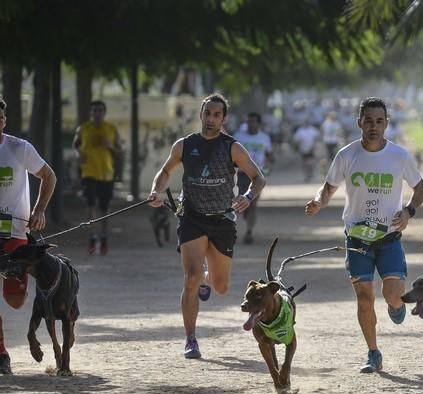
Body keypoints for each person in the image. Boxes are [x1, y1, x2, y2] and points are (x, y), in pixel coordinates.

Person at [305, 97, 423, 373]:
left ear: (387, 123)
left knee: (393, 295)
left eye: (379, 121)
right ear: (359, 122)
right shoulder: (347, 155)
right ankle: (373, 353)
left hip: (389, 237)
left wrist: (408, 211)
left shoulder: (399, 156)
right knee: (364, 298)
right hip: (357, 239)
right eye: (368, 121)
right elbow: (327, 188)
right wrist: (317, 202)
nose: (374, 126)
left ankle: (396, 306)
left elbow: (420, 189)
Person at [147, 93, 265, 359]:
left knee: (221, 287)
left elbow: (258, 178)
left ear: (223, 119)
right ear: (200, 114)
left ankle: (206, 280)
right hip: (191, 217)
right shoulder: (185, 145)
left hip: (222, 220)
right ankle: (191, 339)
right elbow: (166, 171)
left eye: (217, 115)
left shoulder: (232, 147)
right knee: (189, 279)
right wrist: (156, 190)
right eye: (207, 113)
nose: (211, 119)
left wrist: (247, 197)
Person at [0, 97, 56, 374]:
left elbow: (49, 176)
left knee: (14, 299)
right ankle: (1, 354)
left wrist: (39, 210)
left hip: (14, 232)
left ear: (5, 121)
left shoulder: (19, 148)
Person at [73, 100, 122, 255]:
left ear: (104, 112)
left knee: (105, 208)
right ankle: (92, 237)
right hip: (89, 172)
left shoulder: (111, 129)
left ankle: (104, 237)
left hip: (106, 174)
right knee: (91, 204)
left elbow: (120, 151)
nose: (97, 113)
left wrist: (110, 146)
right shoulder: (83, 128)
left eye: (100, 110)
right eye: (94, 110)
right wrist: (78, 154)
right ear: (91, 112)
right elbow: (76, 145)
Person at [233, 112, 274, 244]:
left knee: (253, 203)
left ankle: (249, 231)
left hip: (257, 176)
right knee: (241, 203)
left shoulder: (264, 138)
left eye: (253, 122)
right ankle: (246, 214)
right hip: (240, 175)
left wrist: (270, 163)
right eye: (248, 122)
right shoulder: (238, 137)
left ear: (259, 123)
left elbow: (269, 154)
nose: (251, 124)